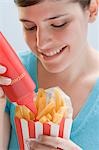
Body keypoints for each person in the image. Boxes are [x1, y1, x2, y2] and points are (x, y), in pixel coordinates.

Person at [0, 0, 99, 149]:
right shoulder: (9, 78)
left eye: (58, 24)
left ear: (92, 9)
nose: (41, 43)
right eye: (30, 27)